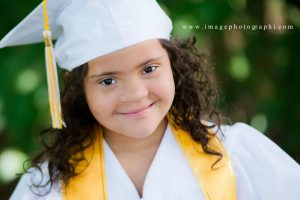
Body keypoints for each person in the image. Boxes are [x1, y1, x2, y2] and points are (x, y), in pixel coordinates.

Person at [1, 0, 299, 199]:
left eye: (149, 69)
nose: (135, 93)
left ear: (173, 64)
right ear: (78, 87)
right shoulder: (47, 187)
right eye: (108, 80)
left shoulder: (238, 154)